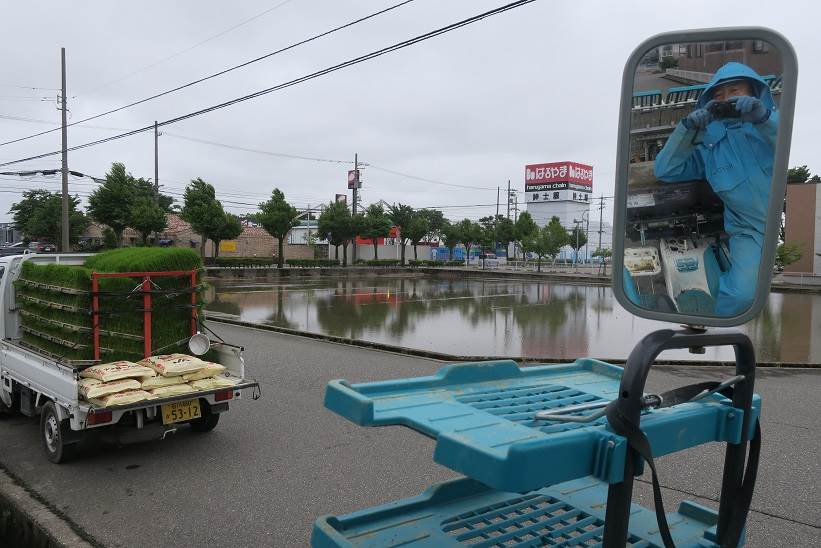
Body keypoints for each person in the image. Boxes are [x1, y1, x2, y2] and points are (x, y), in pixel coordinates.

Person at [653, 62, 778, 316]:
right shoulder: (709, 146)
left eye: (735, 91)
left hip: (785, 222)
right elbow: (665, 170)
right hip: (748, 231)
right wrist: (687, 129)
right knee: (743, 296)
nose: (726, 99)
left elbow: (788, 140)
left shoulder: (770, 124)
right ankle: (713, 321)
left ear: (754, 92)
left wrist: (763, 118)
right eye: (718, 96)